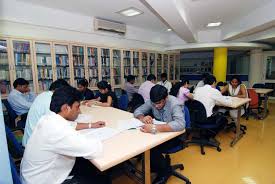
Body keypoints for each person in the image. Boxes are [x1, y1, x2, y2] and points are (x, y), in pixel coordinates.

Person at [20, 86, 107, 184]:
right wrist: (100, 139)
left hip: (35, 176)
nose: (79, 111)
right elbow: (94, 150)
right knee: (102, 178)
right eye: (77, 107)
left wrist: (91, 125)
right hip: (45, 180)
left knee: (85, 164)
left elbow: (72, 125)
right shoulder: (58, 130)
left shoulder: (47, 119)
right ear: (66, 108)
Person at [134, 85, 185, 183]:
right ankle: (156, 166)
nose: (156, 106)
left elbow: (181, 124)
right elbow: (138, 111)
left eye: (159, 103)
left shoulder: (174, 103)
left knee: (151, 147)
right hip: (160, 134)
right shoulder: (153, 101)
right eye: (154, 103)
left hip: (175, 136)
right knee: (144, 141)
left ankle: (163, 173)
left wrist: (154, 128)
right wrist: (142, 117)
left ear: (166, 97)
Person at [22, 79, 70, 146]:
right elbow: (56, 124)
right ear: (57, 90)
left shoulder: (44, 95)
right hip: (35, 143)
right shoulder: (50, 100)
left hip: (33, 136)